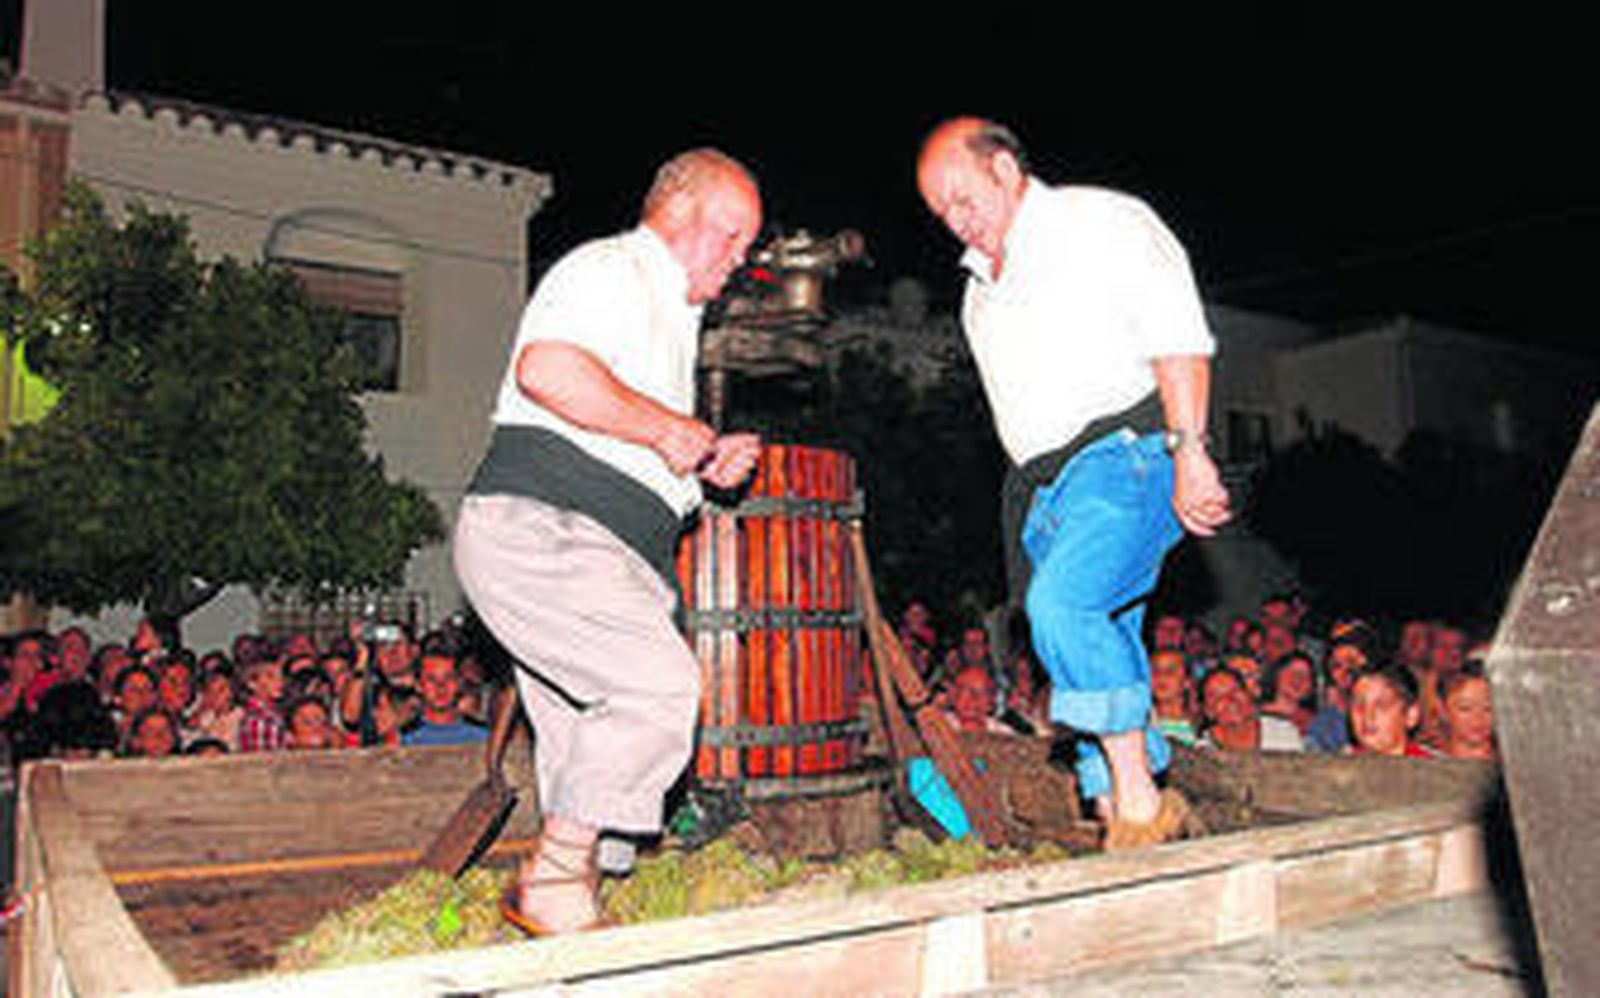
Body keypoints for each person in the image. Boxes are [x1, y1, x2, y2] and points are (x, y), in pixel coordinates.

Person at [453, 148, 763, 935]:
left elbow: (622, 430)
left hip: (596, 539)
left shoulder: (667, 317)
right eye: (732, 235)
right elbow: (548, 370)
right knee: (656, 691)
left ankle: (570, 912)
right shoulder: (614, 269)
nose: (740, 258)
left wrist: (701, 462)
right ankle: (554, 879)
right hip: (550, 525)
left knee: (578, 740)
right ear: (680, 212)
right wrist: (666, 429)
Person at [917, 117, 1230, 849]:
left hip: (1125, 455)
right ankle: (1122, 816)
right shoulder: (977, 295)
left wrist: (1191, 450)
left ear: (1004, 169)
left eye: (963, 198)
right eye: (941, 212)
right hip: (1043, 491)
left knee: (1063, 607)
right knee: (1089, 642)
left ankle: (1139, 802)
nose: (956, 221)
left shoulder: (1102, 223)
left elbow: (1178, 337)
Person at [1347, 663, 1432, 758]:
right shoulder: (1340, 763)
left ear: (1411, 715)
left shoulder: (1430, 764)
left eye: (1381, 705)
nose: (1368, 717)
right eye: (1359, 705)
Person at [403, 652, 488, 746]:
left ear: (459, 683)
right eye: (431, 679)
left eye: (448, 677)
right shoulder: (404, 738)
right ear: (419, 685)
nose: (441, 687)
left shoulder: (483, 736)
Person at [1438, 660, 1496, 760]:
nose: (1478, 719)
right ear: (1443, 708)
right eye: (1465, 708)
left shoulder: (1516, 762)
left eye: (1488, 708)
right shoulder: (1423, 761)